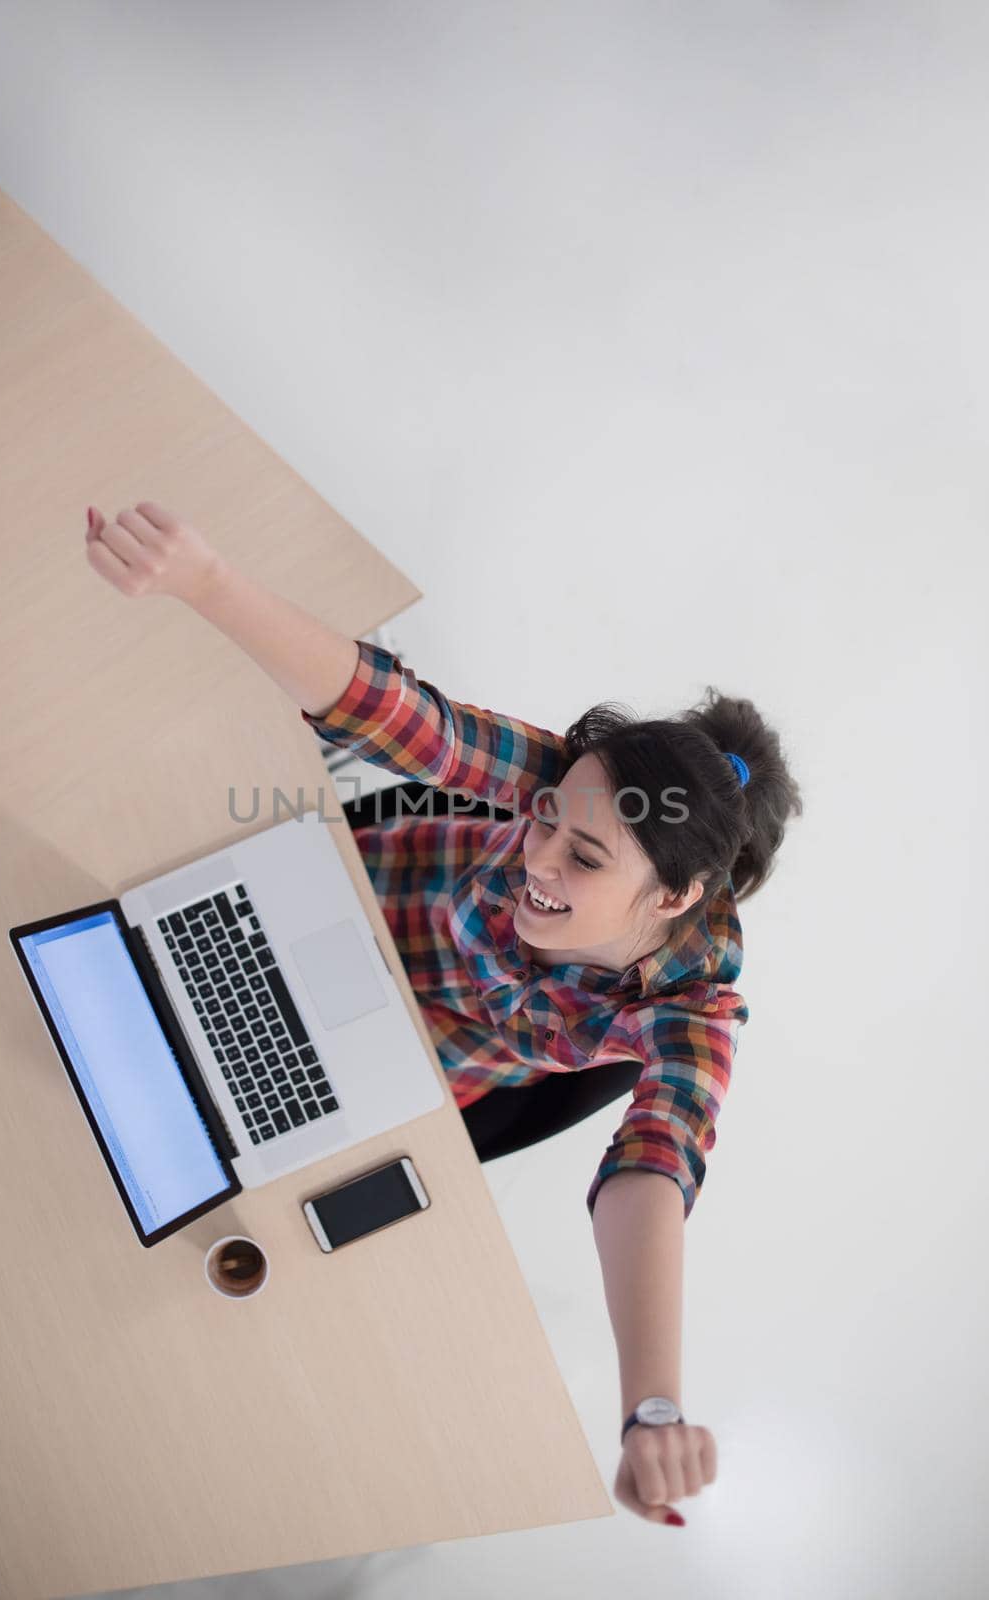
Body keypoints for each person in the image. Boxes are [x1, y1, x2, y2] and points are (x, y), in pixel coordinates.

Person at [84, 499, 804, 1528]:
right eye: (546, 822)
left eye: (582, 860)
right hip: (308, 903)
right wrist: (203, 580)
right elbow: (405, 719)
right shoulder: (561, 778)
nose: (534, 858)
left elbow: (655, 1164)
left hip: (364, 1069)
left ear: (679, 899)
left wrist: (651, 1406)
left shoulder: (693, 1007)